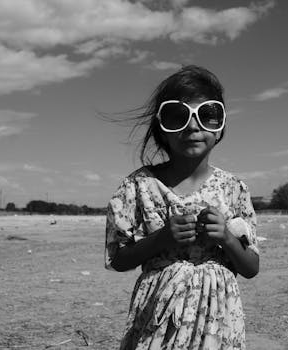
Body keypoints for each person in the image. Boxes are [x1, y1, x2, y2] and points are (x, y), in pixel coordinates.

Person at [105, 65, 259, 350]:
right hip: (158, 319)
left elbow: (251, 267)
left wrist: (226, 238)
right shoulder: (139, 186)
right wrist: (161, 238)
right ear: (161, 127)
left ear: (220, 126)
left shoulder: (234, 189)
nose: (192, 126)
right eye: (177, 116)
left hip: (218, 321)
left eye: (207, 115)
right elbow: (118, 258)